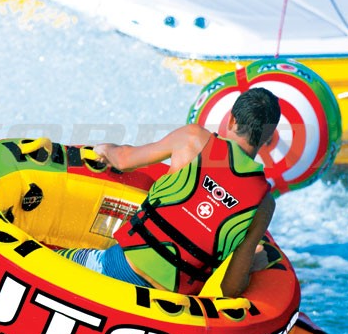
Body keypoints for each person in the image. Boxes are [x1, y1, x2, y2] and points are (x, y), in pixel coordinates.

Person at [63, 88, 280, 298]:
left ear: (231, 119)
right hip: (169, 305)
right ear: (269, 137)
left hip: (119, 269)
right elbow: (231, 288)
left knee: (56, 261)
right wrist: (251, 265)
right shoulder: (264, 203)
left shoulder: (193, 139)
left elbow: (123, 160)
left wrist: (105, 149)